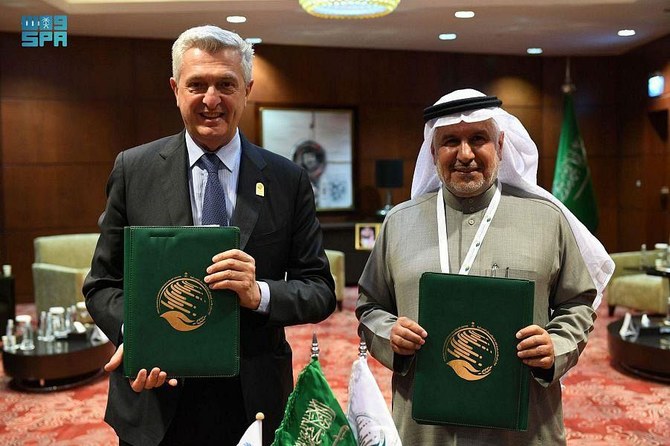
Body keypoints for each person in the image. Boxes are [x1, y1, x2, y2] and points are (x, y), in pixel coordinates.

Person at [83, 25, 336, 446]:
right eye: (197, 84)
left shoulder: (288, 179)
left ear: (247, 89)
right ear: (175, 89)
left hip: (251, 396)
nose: (211, 100)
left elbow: (320, 290)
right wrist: (140, 334)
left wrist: (260, 293)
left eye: (226, 84)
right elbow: (102, 283)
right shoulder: (134, 169)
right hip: (155, 395)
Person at [356, 89, 614, 445]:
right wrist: (389, 335)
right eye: (450, 141)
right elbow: (369, 306)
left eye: (478, 138)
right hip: (427, 428)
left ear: (501, 144)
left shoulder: (546, 219)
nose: (465, 154)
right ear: (433, 151)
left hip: (522, 424)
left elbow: (577, 302)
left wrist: (556, 344)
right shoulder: (399, 223)